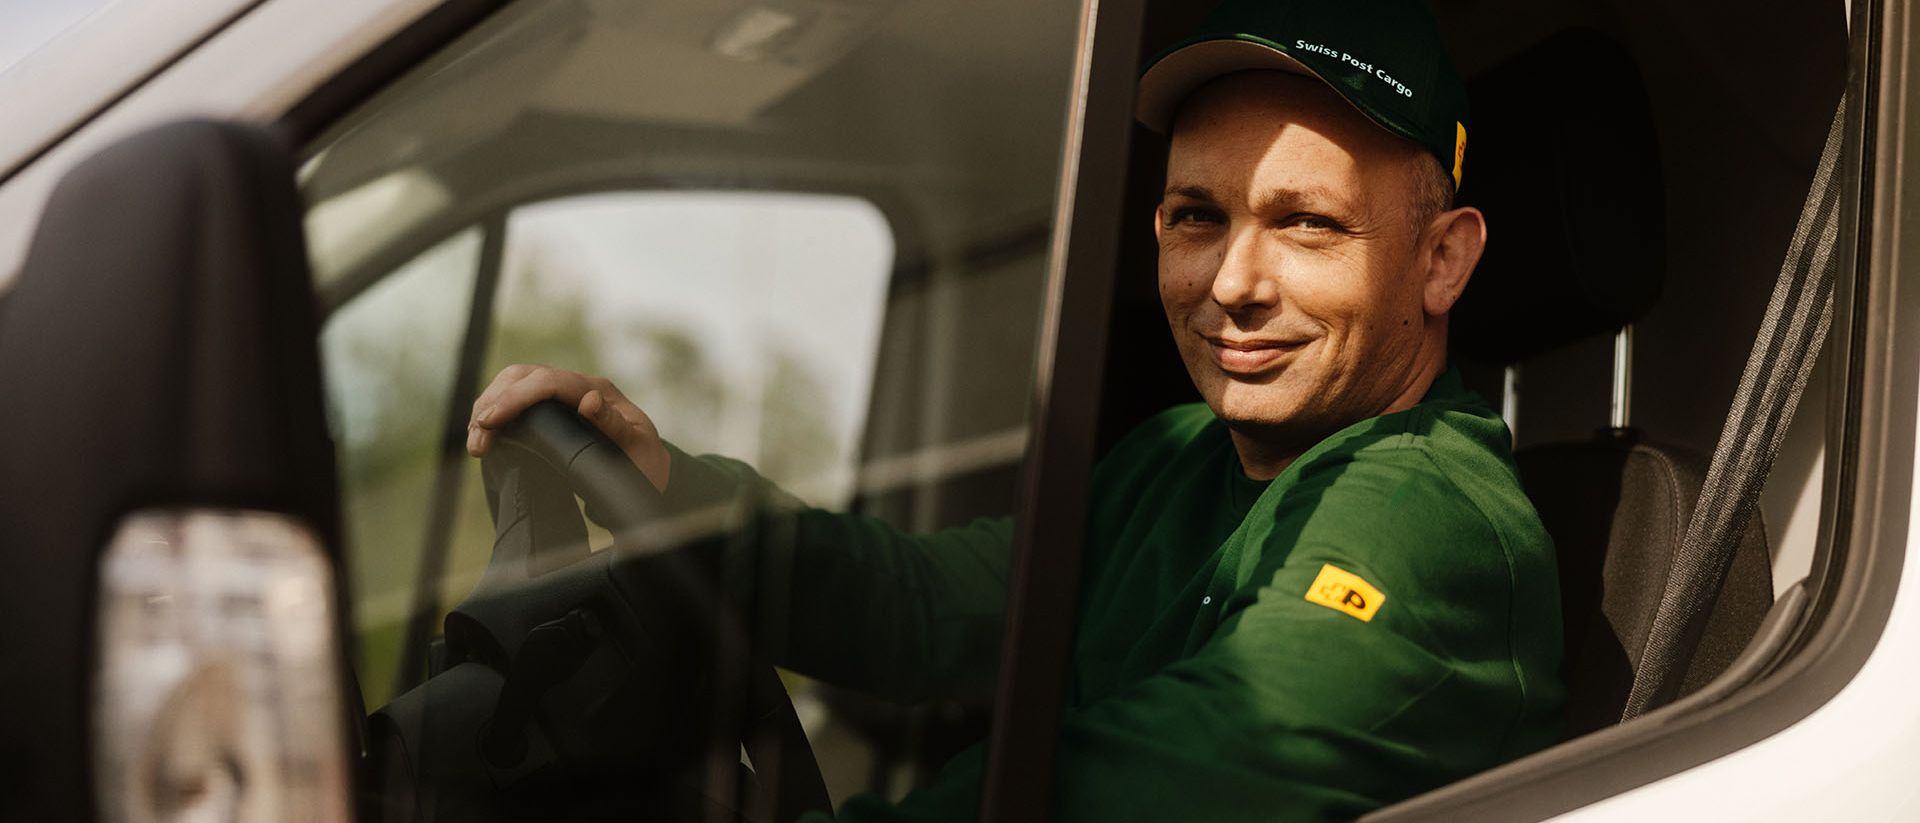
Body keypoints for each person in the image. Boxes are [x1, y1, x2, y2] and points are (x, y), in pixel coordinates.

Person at [465, 0, 1563, 819]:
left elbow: (1137, 785)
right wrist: (672, 491)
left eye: (1308, 224)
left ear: (1442, 260)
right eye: (1197, 216)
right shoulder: (1176, 457)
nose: (1233, 281)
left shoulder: (1432, 517)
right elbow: (927, 605)